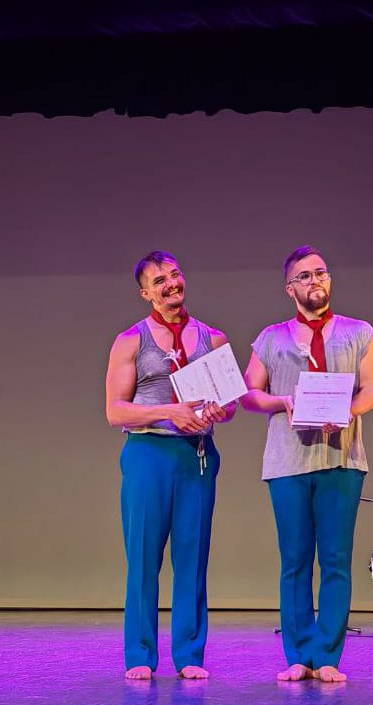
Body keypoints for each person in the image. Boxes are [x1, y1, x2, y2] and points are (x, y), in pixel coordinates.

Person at [241, 245, 373, 683]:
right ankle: (298, 654)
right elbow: (249, 393)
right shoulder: (271, 337)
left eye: (320, 272)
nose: (314, 280)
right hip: (287, 462)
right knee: (296, 560)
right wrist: (281, 401)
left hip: (341, 458)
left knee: (336, 559)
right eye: (304, 276)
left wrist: (345, 411)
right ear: (290, 288)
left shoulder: (359, 332)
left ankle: (327, 656)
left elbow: (372, 390)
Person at [105, 250, 236, 680]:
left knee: (192, 557)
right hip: (148, 454)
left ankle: (190, 654)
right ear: (146, 293)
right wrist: (168, 412)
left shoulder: (212, 339)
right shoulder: (131, 341)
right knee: (143, 558)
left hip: (195, 455)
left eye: (175, 274)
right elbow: (115, 412)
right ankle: (140, 654)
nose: (171, 283)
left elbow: (230, 405)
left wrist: (218, 411)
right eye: (159, 280)